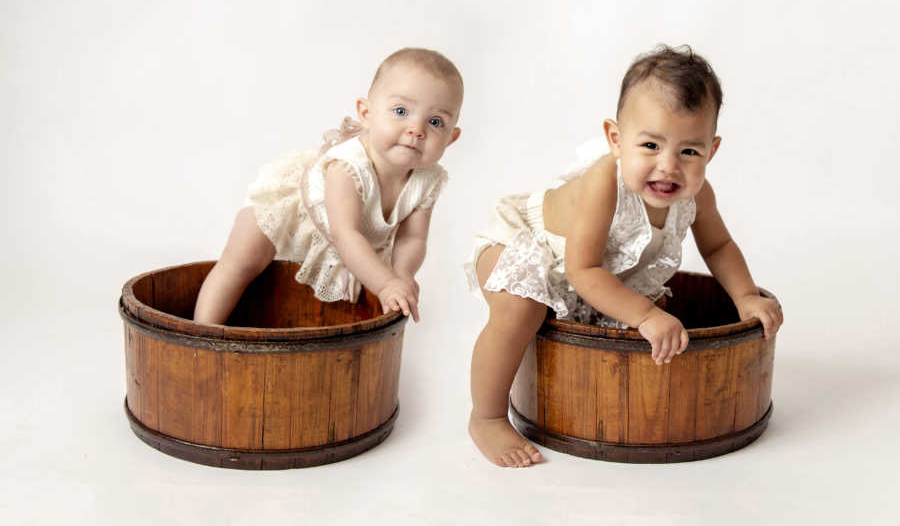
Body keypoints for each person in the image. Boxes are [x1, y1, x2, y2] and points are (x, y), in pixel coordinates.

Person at [465, 45, 783, 468]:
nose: (668, 166)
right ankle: (486, 416)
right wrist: (645, 315)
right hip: (525, 243)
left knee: (646, 315)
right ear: (616, 139)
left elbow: (719, 246)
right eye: (650, 145)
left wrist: (745, 296)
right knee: (521, 309)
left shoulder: (698, 195)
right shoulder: (604, 182)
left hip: (591, 270)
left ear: (713, 149)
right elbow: (583, 269)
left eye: (690, 151)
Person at [194, 48, 463, 325]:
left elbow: (412, 238)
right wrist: (384, 285)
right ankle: (202, 332)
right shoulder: (347, 166)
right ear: (366, 113)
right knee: (241, 262)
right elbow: (346, 234)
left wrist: (403, 274)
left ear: (451, 138)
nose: (416, 129)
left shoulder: (427, 179)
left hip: (348, 240)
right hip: (293, 206)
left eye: (435, 122)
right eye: (400, 111)